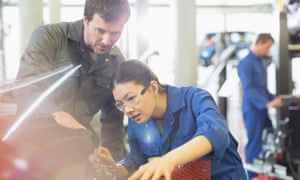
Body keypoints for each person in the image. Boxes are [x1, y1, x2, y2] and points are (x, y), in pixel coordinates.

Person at [11, 0, 130, 178]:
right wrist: (56, 113)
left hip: (74, 154)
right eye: (100, 31)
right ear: (85, 20)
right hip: (31, 147)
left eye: (115, 33)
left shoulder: (117, 63)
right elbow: (26, 89)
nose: (107, 40)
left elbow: (113, 125)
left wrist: (113, 170)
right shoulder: (49, 38)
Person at [89, 59, 248, 180]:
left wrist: (169, 160)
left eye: (131, 98)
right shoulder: (138, 120)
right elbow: (135, 161)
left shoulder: (195, 99)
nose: (127, 110)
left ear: (153, 87)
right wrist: (113, 167)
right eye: (120, 104)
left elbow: (215, 133)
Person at [237, 33, 283, 179]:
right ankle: (250, 176)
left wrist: (275, 98)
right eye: (268, 47)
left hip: (262, 108)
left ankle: (263, 171)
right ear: (260, 43)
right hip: (252, 108)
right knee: (255, 141)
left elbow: (262, 88)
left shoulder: (260, 62)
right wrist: (267, 103)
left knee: (269, 135)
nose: (268, 51)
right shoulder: (245, 63)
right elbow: (249, 88)